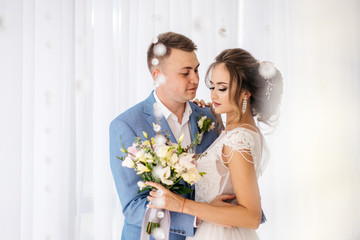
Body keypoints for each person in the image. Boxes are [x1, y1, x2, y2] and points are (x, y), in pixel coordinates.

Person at [147, 48, 283, 239]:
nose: (214, 95)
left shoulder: (237, 140)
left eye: (222, 88)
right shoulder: (238, 131)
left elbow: (252, 216)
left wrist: (182, 205)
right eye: (212, 87)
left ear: (245, 93)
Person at [109, 32, 222, 240]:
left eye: (196, 70)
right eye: (185, 73)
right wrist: (196, 218)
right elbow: (133, 208)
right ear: (157, 76)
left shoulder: (210, 118)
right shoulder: (126, 125)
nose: (196, 79)